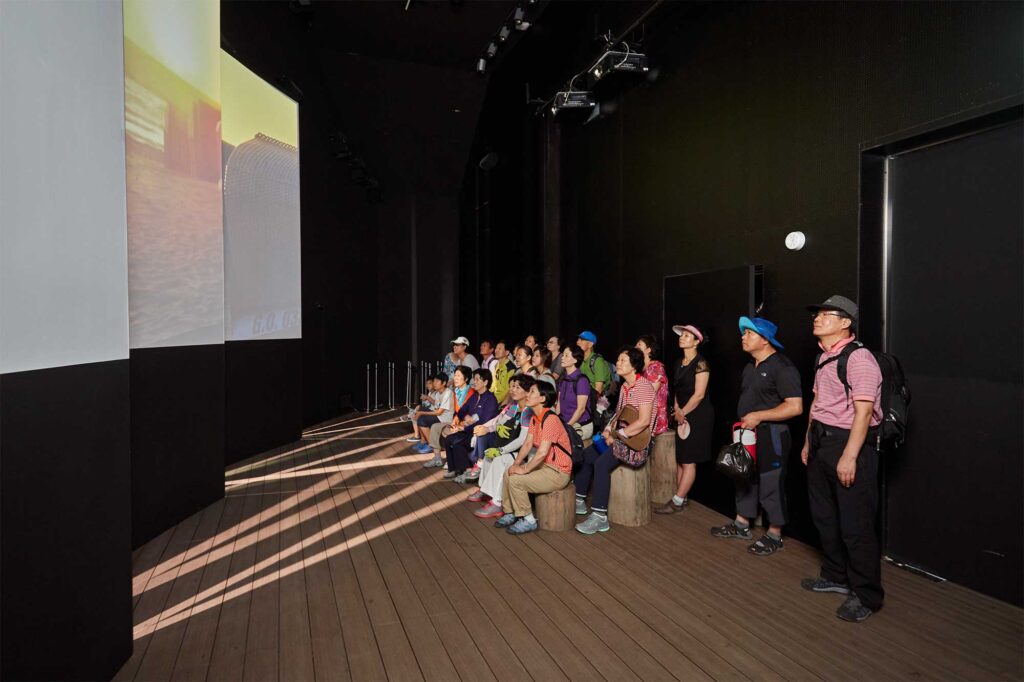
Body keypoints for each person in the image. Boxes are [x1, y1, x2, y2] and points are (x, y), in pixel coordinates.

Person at [800, 295, 884, 623]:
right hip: (822, 441)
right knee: (825, 516)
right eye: (817, 314)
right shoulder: (824, 357)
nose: (817, 319)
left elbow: (863, 413)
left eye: (826, 315)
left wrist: (849, 457)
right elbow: (818, 403)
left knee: (856, 525)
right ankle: (836, 575)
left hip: (849, 445)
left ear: (845, 322)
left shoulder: (860, 358)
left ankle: (866, 595)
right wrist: (809, 442)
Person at [710, 317, 803, 556]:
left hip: (771, 435)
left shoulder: (783, 367)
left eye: (749, 334)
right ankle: (742, 524)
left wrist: (760, 416)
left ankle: (774, 534)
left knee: (771, 483)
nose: (743, 337)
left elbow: (795, 407)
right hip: (747, 432)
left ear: (765, 340)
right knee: (743, 475)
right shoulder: (750, 366)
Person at [575, 347, 655, 535]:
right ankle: (579, 500)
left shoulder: (644, 387)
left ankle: (600, 517)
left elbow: (643, 422)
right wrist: (609, 429)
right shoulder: (626, 386)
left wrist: (617, 435)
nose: (617, 363)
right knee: (587, 455)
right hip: (623, 437)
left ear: (634, 366)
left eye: (622, 361)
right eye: (618, 360)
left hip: (638, 443)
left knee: (602, 463)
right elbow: (618, 415)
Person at [493, 380, 574, 535]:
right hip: (544, 467)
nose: (527, 395)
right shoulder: (534, 418)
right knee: (508, 473)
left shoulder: (550, 419)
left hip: (558, 472)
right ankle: (510, 512)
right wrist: (516, 464)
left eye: (531, 392)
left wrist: (524, 469)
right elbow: (528, 443)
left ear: (542, 398)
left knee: (517, 480)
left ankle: (528, 519)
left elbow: (542, 452)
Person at [656, 325, 714, 514]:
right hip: (682, 414)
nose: (682, 338)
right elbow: (677, 391)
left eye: (687, 336)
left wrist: (683, 412)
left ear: (696, 342)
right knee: (681, 458)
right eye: (682, 335)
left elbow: (699, 395)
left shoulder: (701, 364)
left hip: (698, 415)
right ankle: (681, 496)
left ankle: (677, 501)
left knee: (689, 460)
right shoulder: (678, 362)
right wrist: (677, 410)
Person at [469, 374, 535, 518]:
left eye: (518, 387)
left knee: (499, 459)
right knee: (488, 454)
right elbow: (500, 422)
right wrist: (496, 427)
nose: (513, 390)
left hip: (526, 453)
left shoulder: (528, 412)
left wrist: (500, 450)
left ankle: (497, 503)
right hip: (511, 449)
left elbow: (522, 441)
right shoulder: (514, 406)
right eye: (512, 386)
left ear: (527, 391)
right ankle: (486, 491)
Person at [443, 368, 499, 482]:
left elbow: (484, 421)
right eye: (474, 379)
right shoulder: (474, 396)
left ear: (485, 382)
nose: (474, 382)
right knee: (448, 439)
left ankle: (466, 472)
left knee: (458, 443)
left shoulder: (490, 399)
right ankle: (453, 469)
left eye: (477, 379)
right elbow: (462, 411)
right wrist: (466, 418)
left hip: (480, 434)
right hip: (468, 430)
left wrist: (463, 427)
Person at [424, 365, 476, 468]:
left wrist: (460, 424)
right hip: (455, 421)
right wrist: (455, 420)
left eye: (458, 376)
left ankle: (450, 459)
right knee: (435, 427)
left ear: (465, 379)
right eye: (455, 375)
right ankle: (437, 458)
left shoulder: (471, 393)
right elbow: (457, 412)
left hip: (467, 424)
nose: (455, 378)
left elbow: (472, 414)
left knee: (448, 432)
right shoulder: (455, 392)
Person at [556, 344, 593, 440]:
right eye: (563, 355)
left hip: (580, 425)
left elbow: (581, 409)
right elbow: (559, 403)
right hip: (565, 424)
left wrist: (567, 427)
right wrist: (557, 421)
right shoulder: (563, 378)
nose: (562, 358)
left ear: (575, 360)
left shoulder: (581, 380)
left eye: (566, 355)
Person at [636, 335, 669, 437]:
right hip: (643, 417)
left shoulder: (655, 368)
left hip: (654, 420)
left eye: (639, 344)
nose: (635, 346)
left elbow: (649, 394)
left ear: (649, 349)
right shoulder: (641, 369)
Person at [417, 372, 453, 463]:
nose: (434, 383)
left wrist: (422, 413)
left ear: (444, 383)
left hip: (445, 419)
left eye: (437, 381)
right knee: (421, 418)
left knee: (422, 419)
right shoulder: (437, 394)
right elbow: (436, 410)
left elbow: (439, 412)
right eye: (434, 381)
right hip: (439, 417)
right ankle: (433, 449)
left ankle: (432, 446)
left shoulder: (448, 393)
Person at [406, 374, 441, 443]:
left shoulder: (437, 393)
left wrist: (427, 398)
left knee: (418, 412)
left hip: (434, 413)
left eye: (430, 383)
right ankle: (418, 436)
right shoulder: (430, 393)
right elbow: (429, 404)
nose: (427, 385)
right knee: (416, 412)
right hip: (430, 411)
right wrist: (425, 399)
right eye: (427, 384)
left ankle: (419, 437)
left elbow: (436, 404)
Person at [576, 331, 612, 395]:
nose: (578, 342)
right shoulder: (579, 360)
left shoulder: (598, 361)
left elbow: (598, 389)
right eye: (578, 339)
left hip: (594, 401)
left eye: (582, 340)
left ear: (590, 344)